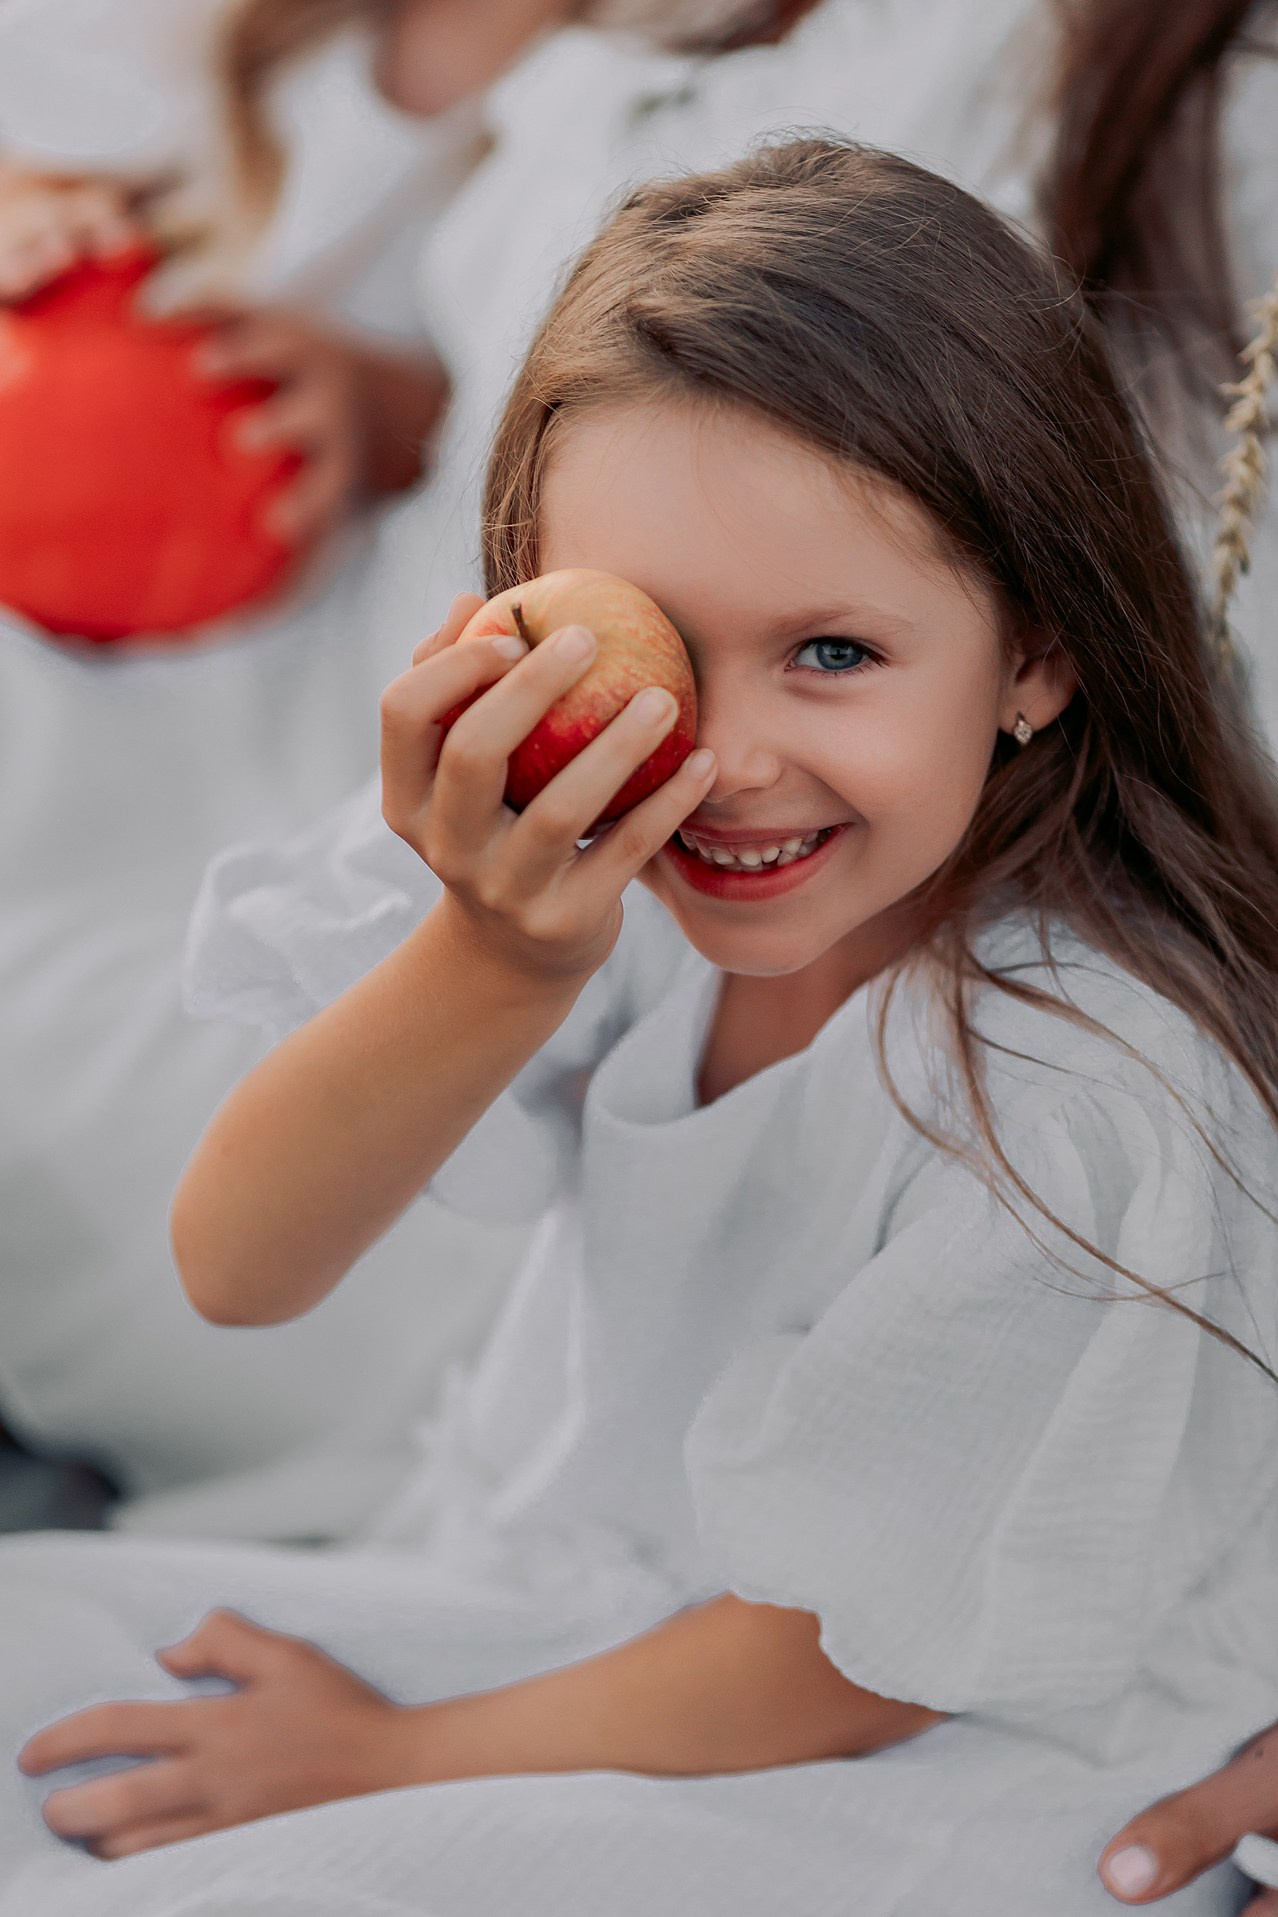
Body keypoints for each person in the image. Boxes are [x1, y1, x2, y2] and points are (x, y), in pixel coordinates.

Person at [0, 136, 1274, 1914]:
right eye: (648, 643)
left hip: (885, 1755)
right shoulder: (580, 859)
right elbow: (240, 1263)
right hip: (585, 1623)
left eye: (831, 653)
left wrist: (382, 1758)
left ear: (1034, 657)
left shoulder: (1077, 1092)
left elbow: (852, 1657)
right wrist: (490, 958)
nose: (726, 759)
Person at [0, 0, 759, 1537]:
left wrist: (376, 406)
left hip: (361, 638)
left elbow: (547, 395)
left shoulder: (638, 76)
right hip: (120, 655)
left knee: (173, 1071)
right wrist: (35, 225)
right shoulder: (191, 44)